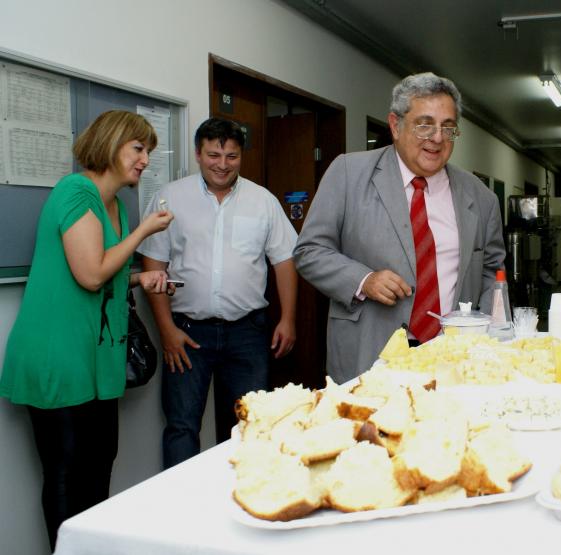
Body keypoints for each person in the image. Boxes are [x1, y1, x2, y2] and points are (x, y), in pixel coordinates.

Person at [0, 110, 174, 550]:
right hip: (57, 353)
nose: (145, 161)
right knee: (65, 471)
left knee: (99, 463)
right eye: (139, 149)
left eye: (148, 152)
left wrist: (141, 278)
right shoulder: (74, 192)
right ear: (111, 144)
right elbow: (91, 275)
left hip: (96, 357)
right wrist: (144, 233)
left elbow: (106, 270)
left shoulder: (115, 205)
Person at [294, 72, 505, 383]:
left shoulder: (481, 197)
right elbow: (310, 251)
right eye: (424, 125)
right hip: (370, 355)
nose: (437, 138)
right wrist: (363, 280)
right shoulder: (349, 173)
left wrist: (482, 335)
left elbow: (492, 272)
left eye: (447, 127)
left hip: (454, 360)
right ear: (395, 125)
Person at [138, 117, 298, 468]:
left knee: (249, 425)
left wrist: (288, 319)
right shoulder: (170, 197)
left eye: (231, 156)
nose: (222, 164)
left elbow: (284, 261)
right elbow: (154, 266)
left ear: (241, 156)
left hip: (247, 333)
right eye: (213, 155)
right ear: (198, 154)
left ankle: (241, 496)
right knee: (181, 426)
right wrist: (166, 331)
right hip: (186, 333)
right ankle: (183, 500)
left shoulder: (263, 201)